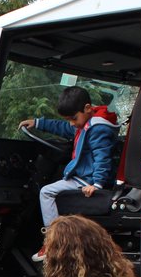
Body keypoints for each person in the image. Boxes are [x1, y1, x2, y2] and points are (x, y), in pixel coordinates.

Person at [19, 86, 118, 261]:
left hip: (85, 179)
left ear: (87, 108)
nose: (72, 123)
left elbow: (103, 157)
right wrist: (38, 123)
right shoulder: (85, 123)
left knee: (46, 192)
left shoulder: (96, 129)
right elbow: (63, 127)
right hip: (83, 176)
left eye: (74, 118)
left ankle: (54, 241)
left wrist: (97, 184)